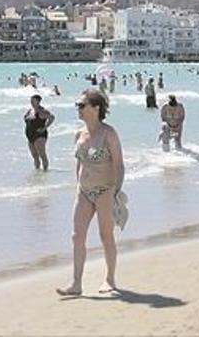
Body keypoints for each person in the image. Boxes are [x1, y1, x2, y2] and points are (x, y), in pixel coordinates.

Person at [57, 89, 125, 296]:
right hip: (84, 192)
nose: (78, 108)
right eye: (77, 105)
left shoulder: (108, 133)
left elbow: (119, 165)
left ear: (96, 108)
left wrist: (116, 192)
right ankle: (76, 284)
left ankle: (110, 279)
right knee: (77, 236)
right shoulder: (79, 134)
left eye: (81, 105)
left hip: (105, 190)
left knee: (106, 236)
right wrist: (78, 183)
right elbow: (79, 162)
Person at [24, 95, 55, 171]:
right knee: (35, 156)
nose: (31, 102)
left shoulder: (42, 111)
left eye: (33, 100)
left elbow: (52, 117)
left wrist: (44, 127)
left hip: (39, 135)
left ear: (38, 101)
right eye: (31, 100)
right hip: (30, 136)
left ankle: (45, 171)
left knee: (42, 155)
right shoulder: (30, 111)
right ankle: (37, 172)